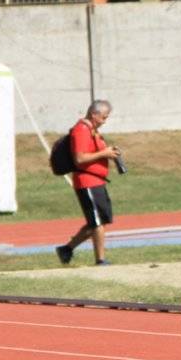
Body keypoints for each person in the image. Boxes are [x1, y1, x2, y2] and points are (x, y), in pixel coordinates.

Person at [55, 100, 120, 266]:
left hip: (97, 181)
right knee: (97, 222)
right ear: (94, 114)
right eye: (103, 117)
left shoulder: (92, 130)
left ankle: (66, 249)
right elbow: (80, 158)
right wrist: (103, 153)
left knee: (99, 220)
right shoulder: (82, 130)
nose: (105, 121)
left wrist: (108, 153)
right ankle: (100, 259)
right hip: (87, 181)